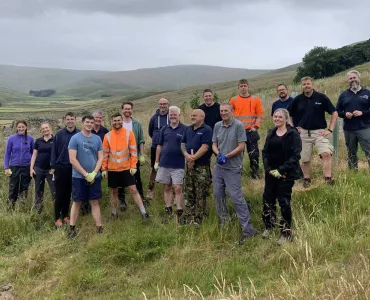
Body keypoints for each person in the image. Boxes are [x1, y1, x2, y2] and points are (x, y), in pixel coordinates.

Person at [212, 103, 257, 244]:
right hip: (219, 167)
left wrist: (227, 156)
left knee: (236, 197)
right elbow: (213, 143)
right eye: (221, 111)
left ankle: (248, 229)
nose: (223, 113)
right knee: (218, 195)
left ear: (232, 111)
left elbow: (241, 146)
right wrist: (218, 153)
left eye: (226, 110)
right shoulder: (217, 126)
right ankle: (225, 221)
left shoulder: (238, 125)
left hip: (232, 167)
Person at [288, 76, 338, 187]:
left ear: (312, 84)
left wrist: (330, 129)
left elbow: (334, 113)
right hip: (304, 133)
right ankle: (307, 179)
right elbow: (289, 114)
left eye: (308, 84)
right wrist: (292, 128)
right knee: (305, 158)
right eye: (304, 84)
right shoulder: (298, 99)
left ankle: (328, 179)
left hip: (319, 132)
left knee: (326, 153)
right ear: (302, 86)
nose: (306, 86)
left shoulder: (321, 97)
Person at [261, 109, 302, 244]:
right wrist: (268, 169)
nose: (277, 119)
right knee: (268, 199)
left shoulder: (293, 134)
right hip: (271, 173)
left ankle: (285, 233)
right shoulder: (271, 133)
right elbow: (265, 152)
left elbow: (296, 156)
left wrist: (281, 170)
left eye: (280, 117)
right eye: (275, 116)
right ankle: (269, 226)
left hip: (286, 174)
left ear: (286, 119)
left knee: (283, 201)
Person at [102, 113, 149, 220]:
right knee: (114, 191)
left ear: (121, 121)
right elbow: (105, 154)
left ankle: (144, 213)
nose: (117, 122)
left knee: (133, 189)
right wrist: (103, 168)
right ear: (111, 121)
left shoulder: (129, 133)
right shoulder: (107, 136)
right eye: (114, 120)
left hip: (126, 168)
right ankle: (114, 214)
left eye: (119, 120)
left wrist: (133, 166)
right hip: (113, 169)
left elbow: (133, 151)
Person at [67, 115, 104, 238]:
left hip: (95, 176)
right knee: (77, 201)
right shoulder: (75, 138)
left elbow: (101, 158)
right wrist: (85, 174)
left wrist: (94, 173)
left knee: (94, 201)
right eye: (87, 122)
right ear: (82, 123)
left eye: (91, 122)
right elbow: (72, 159)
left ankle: (99, 227)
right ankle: (72, 228)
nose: (89, 124)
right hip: (78, 177)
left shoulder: (97, 139)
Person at [155, 106, 186, 222]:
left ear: (179, 115)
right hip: (164, 163)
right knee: (167, 186)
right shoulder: (164, 129)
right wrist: (156, 162)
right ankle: (168, 209)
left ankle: (179, 211)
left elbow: (188, 146)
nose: (172, 116)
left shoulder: (185, 129)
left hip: (178, 164)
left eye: (174, 115)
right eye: (171, 115)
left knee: (178, 188)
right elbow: (159, 146)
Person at [181, 109, 212, 225]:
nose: (192, 117)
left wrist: (193, 158)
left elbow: (205, 147)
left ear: (202, 117)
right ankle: (189, 217)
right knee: (189, 192)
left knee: (200, 193)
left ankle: (199, 219)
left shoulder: (207, 130)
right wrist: (186, 155)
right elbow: (182, 144)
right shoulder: (188, 129)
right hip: (189, 166)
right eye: (192, 115)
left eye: (195, 115)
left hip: (201, 168)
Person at [336, 70, 370, 170]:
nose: (352, 80)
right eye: (350, 78)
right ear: (348, 81)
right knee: (351, 153)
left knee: (369, 151)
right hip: (349, 129)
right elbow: (337, 111)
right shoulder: (343, 95)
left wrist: (362, 113)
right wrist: (345, 114)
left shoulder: (367, 93)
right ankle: (353, 173)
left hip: (365, 128)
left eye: (354, 77)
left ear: (359, 78)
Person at [50, 112, 79, 228]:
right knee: (60, 194)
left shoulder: (79, 134)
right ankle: (57, 217)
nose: (70, 121)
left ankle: (66, 215)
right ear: (64, 120)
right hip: (61, 167)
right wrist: (53, 166)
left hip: (74, 167)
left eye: (72, 119)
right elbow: (54, 151)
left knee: (68, 193)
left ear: (75, 120)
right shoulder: (59, 134)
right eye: (68, 119)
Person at [230, 79, 263, 179]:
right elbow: (229, 114)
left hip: (251, 131)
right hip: (238, 132)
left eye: (245, 85)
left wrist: (255, 127)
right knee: (237, 154)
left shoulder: (255, 99)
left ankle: (255, 174)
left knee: (254, 154)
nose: (243, 88)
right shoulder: (233, 100)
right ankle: (237, 174)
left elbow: (260, 114)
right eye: (241, 86)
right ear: (238, 88)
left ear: (248, 87)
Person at [118, 101, 147, 210]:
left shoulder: (136, 124)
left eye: (129, 109)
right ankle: (122, 200)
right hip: (120, 157)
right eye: (125, 109)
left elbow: (141, 141)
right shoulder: (118, 123)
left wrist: (142, 155)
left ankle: (142, 198)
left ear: (132, 110)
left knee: (137, 178)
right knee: (121, 179)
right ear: (122, 110)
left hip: (134, 157)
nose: (127, 111)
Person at [4, 120, 34, 208]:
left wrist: (32, 167)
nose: (21, 128)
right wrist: (6, 167)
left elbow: (33, 154)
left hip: (26, 166)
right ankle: (10, 207)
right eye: (19, 127)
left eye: (23, 127)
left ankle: (22, 206)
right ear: (16, 128)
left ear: (26, 127)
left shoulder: (30, 139)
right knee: (13, 187)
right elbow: (7, 154)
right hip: (14, 166)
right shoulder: (11, 139)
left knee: (24, 187)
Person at [30, 122, 56, 213]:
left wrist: (54, 167)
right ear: (41, 130)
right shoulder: (38, 141)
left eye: (46, 127)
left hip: (51, 170)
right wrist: (31, 168)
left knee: (54, 191)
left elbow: (57, 154)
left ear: (50, 128)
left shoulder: (55, 139)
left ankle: (57, 212)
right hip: (39, 169)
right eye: (43, 128)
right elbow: (34, 155)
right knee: (38, 191)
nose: (45, 130)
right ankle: (38, 212)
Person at [147, 98, 169, 199]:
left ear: (167, 104)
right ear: (158, 105)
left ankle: (171, 191)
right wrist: (157, 140)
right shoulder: (154, 118)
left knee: (170, 169)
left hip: (169, 148)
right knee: (154, 169)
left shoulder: (172, 116)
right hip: (155, 147)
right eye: (161, 104)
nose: (162, 106)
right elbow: (150, 132)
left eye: (164, 104)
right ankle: (150, 190)